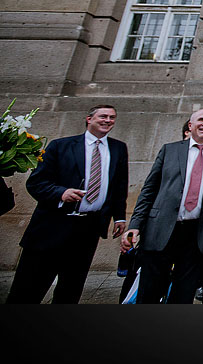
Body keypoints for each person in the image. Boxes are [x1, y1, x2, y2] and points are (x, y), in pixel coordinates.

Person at [6, 105, 128, 304]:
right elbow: (36, 183)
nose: (108, 120)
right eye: (103, 116)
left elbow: (119, 185)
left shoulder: (118, 148)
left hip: (88, 229)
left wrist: (119, 216)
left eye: (112, 117)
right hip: (52, 226)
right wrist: (61, 193)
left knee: (70, 289)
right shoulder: (60, 146)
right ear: (89, 119)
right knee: (28, 288)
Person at [122, 108, 203, 304]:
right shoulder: (170, 150)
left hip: (198, 233)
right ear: (190, 125)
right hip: (162, 229)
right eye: (201, 119)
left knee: (183, 293)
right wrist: (135, 224)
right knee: (149, 290)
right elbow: (149, 190)